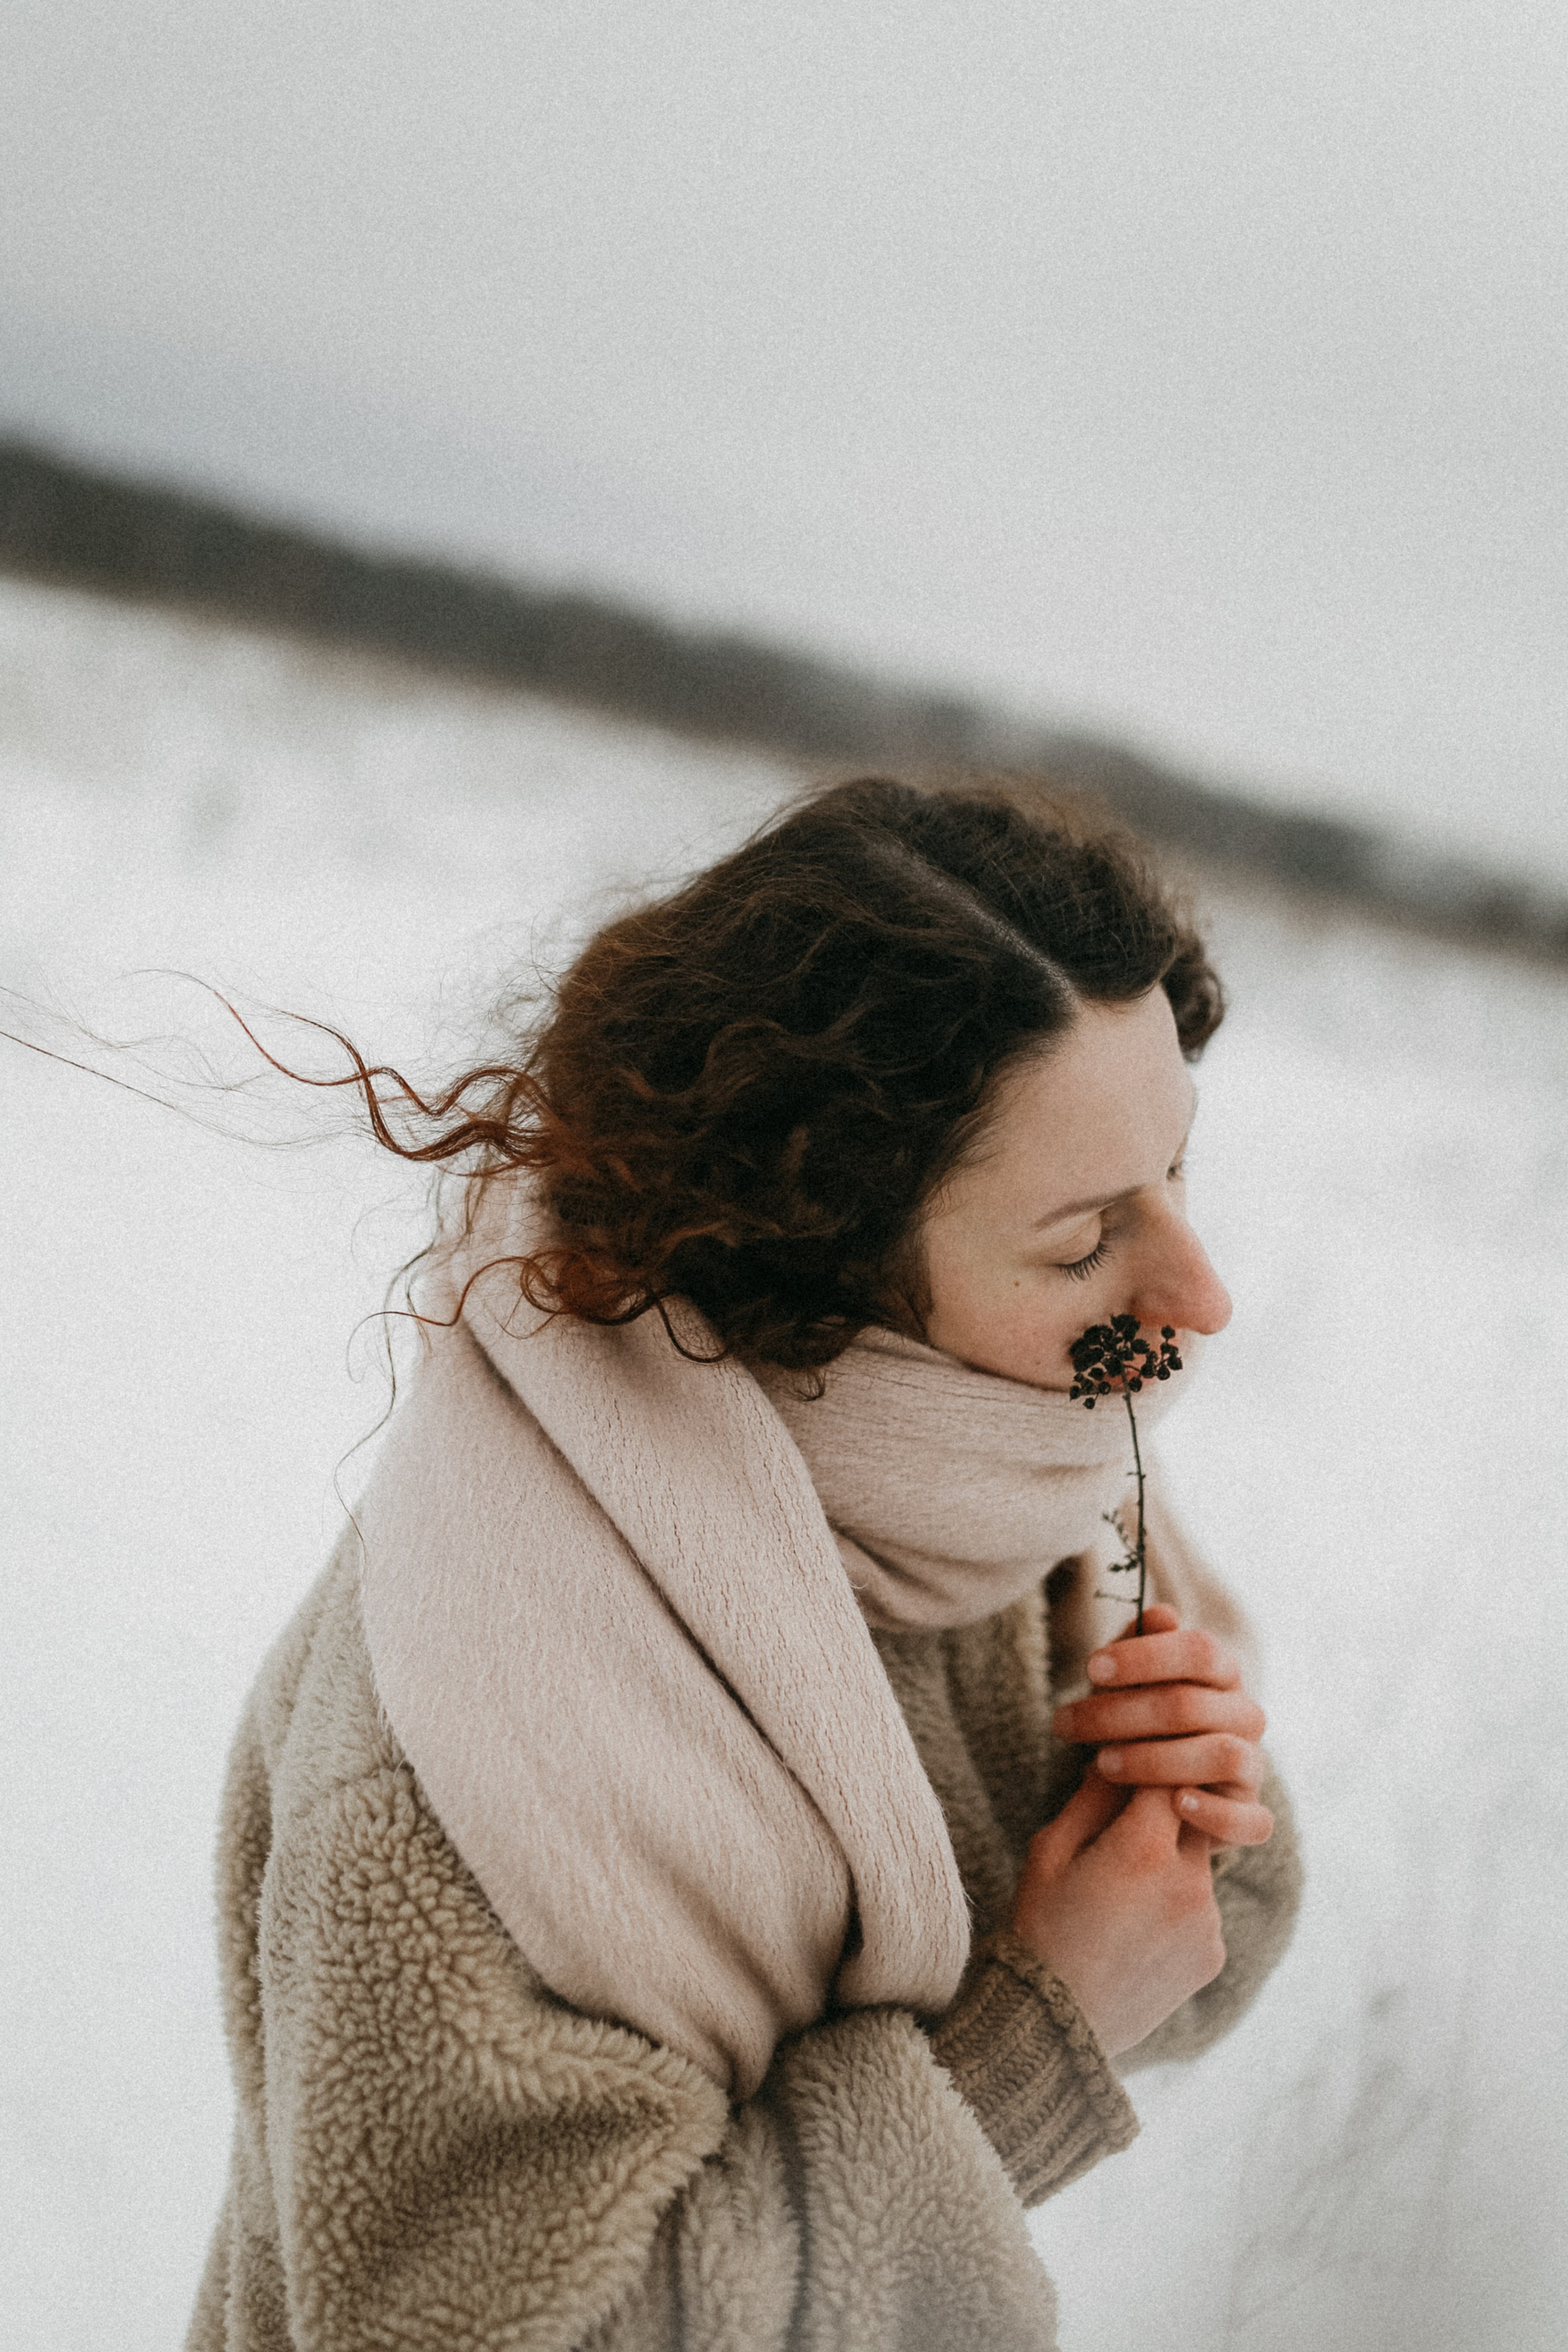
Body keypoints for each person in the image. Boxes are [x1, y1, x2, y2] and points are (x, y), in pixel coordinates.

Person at [188, 776, 1300, 2352]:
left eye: (1176, 1173)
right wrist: (1029, 2049)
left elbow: (1182, 1953)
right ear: (824, 1261)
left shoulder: (995, 1464)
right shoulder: (467, 1736)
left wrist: (1180, 1811)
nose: (1199, 1293)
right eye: (1081, 1240)